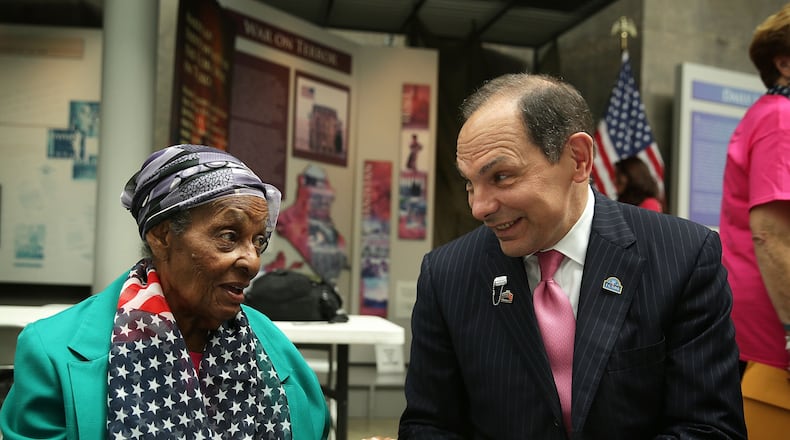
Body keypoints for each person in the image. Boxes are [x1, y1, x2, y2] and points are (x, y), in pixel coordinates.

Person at [398, 74, 746, 439]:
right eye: (470, 183)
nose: (479, 207)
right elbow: (427, 425)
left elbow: (709, 428)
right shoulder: (447, 275)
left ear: (578, 159)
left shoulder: (684, 257)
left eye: (501, 177)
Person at [0, 144, 331, 439]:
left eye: (259, 241)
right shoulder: (52, 352)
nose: (253, 261)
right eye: (229, 236)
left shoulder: (275, 350)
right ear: (161, 236)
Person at [719, 4, 790, 379]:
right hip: (773, 335)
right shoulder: (781, 118)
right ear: (784, 64)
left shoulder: (770, 113)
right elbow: (771, 235)